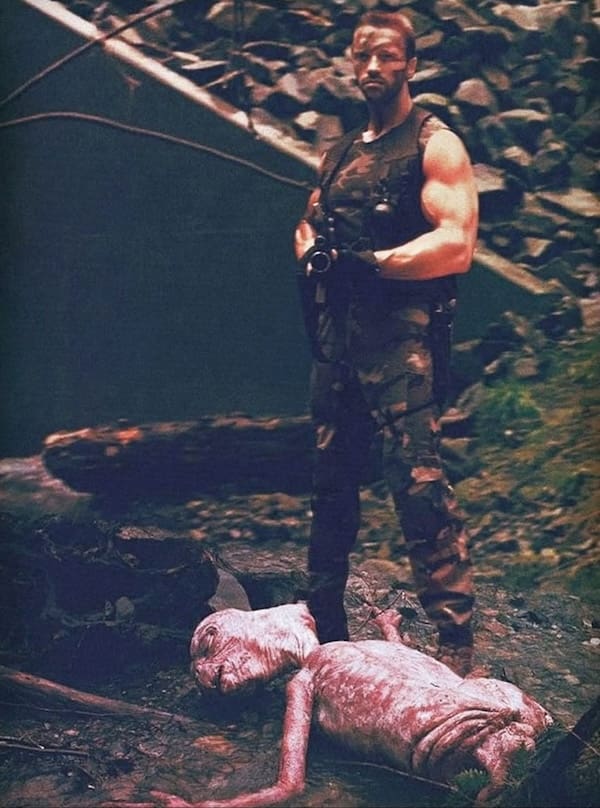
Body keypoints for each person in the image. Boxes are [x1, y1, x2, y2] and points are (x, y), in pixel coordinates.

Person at [293, 10, 479, 676]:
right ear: (351, 62)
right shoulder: (340, 151)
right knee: (330, 481)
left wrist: (371, 264)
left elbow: (456, 243)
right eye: (363, 56)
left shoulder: (435, 144)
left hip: (402, 343)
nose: (374, 67)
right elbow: (307, 224)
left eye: (388, 56)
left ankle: (455, 644)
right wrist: (315, 255)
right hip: (339, 341)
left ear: (410, 64)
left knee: (418, 483)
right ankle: (324, 627)